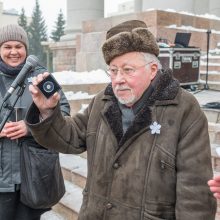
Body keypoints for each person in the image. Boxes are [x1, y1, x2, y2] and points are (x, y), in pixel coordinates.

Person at [25, 20, 216, 219]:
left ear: (152, 70)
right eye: (113, 71)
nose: (118, 79)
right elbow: (70, 137)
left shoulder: (183, 108)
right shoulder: (102, 101)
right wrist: (47, 111)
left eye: (127, 70)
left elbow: (195, 194)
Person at [0, 24, 70, 220]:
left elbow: (63, 111)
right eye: (7, 46)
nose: (14, 51)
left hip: (33, 174)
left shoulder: (41, 77)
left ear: (26, 49)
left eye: (19, 46)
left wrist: (31, 127)